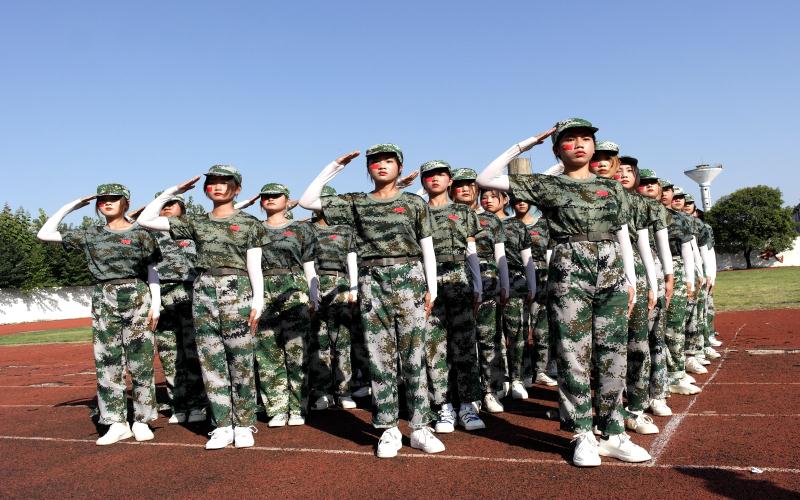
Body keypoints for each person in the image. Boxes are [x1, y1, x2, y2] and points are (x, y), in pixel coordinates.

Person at [478, 119, 651, 467]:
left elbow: (621, 233)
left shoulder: (611, 187)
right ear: (558, 150)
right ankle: (582, 432)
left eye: (586, 138)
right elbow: (486, 177)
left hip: (612, 269)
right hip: (570, 266)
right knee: (573, 354)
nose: (580, 144)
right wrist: (527, 144)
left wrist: (631, 279)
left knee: (613, 354)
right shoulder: (549, 186)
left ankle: (613, 432)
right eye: (570, 140)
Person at [299, 144, 445, 458]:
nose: (381, 165)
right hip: (372, 280)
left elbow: (427, 248)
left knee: (414, 357)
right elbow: (307, 201)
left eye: (389, 160)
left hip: (409, 276)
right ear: (368, 169)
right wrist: (334, 166)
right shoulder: (357, 203)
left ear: (399, 166)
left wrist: (431, 289)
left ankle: (420, 427)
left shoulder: (413, 203)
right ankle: (388, 428)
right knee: (380, 359)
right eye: (375, 161)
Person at [138, 165, 266, 450]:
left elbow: (254, 265)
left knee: (241, 361)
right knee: (211, 361)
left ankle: (244, 424)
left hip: (238, 287)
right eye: (213, 182)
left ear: (237, 188)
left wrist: (258, 301)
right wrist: (172, 192)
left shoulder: (249, 223)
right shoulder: (196, 222)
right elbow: (146, 219)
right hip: (204, 289)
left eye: (224, 182)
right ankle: (221, 425)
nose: (217, 187)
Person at [38, 183, 161, 445]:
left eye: (114, 198)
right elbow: (44, 234)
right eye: (102, 199)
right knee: (107, 361)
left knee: (141, 360)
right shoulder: (90, 234)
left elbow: (153, 270)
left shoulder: (141, 233)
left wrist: (156, 303)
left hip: (137, 294)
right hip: (105, 296)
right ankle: (116, 422)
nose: (107, 203)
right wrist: (71, 206)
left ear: (126, 203)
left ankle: (142, 420)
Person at [589, 144, 660, 435]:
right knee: (601, 349)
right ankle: (606, 411)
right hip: (596, 275)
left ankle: (637, 408)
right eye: (596, 159)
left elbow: (642, 245)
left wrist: (653, 285)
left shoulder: (636, 203)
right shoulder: (585, 195)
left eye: (609, 160)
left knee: (637, 345)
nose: (602, 165)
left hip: (633, 276)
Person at [238, 183, 319, 427]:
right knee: (267, 353)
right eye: (266, 196)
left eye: (276, 195)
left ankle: (297, 407)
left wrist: (313, 295)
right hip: (264, 290)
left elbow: (309, 264)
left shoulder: (301, 229)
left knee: (297, 352)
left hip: (294, 290)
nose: (270, 199)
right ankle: (276, 408)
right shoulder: (255, 229)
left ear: (287, 200)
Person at [416, 160, 485, 432]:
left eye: (440, 175)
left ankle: (467, 405)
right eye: (428, 176)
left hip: (458, 279)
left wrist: (477, 285)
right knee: (434, 348)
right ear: (423, 182)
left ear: (449, 180)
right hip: (427, 281)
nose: (434, 179)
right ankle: (443, 406)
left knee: (464, 345)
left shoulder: (463, 212)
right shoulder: (417, 212)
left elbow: (471, 250)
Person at [450, 168, 510, 413]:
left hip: (487, 282)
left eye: (470, 185)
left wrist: (505, 285)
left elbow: (500, 254)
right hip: (455, 283)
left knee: (488, 338)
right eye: (460, 185)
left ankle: (490, 391)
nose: (465, 189)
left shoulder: (491, 220)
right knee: (460, 341)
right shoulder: (446, 216)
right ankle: (467, 392)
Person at [147, 193, 208, 424]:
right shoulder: (150, 234)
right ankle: (179, 405)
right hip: (162, 296)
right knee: (169, 353)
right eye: (162, 205)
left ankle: (198, 404)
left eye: (171, 204)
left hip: (190, 294)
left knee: (193, 353)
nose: (166, 208)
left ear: (182, 207)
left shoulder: (194, 230)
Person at [307, 185, 360, 411]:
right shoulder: (307, 229)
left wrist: (354, 289)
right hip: (315, 284)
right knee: (320, 343)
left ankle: (344, 391)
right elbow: (306, 262)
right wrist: (312, 292)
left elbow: (351, 259)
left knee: (343, 342)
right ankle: (322, 392)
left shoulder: (345, 229)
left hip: (340, 285)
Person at [481, 190, 536, 401]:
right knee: (492, 334)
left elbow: (526, 256)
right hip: (488, 281)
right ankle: (499, 378)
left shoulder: (516, 225)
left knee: (515, 332)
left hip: (514, 281)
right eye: (484, 197)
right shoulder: (478, 222)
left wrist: (531, 285)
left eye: (493, 197)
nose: (488, 200)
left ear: (505, 200)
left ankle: (517, 379)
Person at [635, 168, 676, 416]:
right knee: (632, 342)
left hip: (652, 272)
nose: (648, 187)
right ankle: (636, 395)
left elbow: (662, 247)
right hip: (621, 272)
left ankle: (657, 392)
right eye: (645, 183)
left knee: (655, 336)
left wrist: (667, 278)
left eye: (653, 183)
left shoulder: (656, 211)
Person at [659, 181, 701, 395]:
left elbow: (687, 249)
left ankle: (676, 372)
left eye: (669, 190)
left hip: (674, 268)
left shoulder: (679, 218)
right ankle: (663, 375)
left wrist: (690, 278)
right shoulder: (647, 213)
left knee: (675, 324)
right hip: (651, 268)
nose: (666, 194)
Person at [511, 197, 556, 388]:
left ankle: (541, 370)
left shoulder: (543, 225)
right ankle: (524, 372)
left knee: (541, 327)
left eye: (524, 200)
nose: (521, 203)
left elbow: (550, 252)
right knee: (520, 327)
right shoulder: (508, 225)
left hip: (542, 277)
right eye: (516, 200)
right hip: (516, 277)